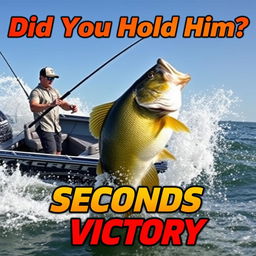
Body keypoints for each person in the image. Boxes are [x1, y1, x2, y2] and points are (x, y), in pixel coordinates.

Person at [30, 67, 78, 155]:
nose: (51, 80)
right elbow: (33, 107)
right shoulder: (36, 92)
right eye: (49, 78)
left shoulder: (55, 91)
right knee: (51, 152)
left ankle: (56, 167)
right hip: (44, 127)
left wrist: (71, 107)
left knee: (59, 151)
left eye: (52, 78)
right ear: (41, 78)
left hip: (56, 127)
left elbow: (62, 104)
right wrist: (50, 105)